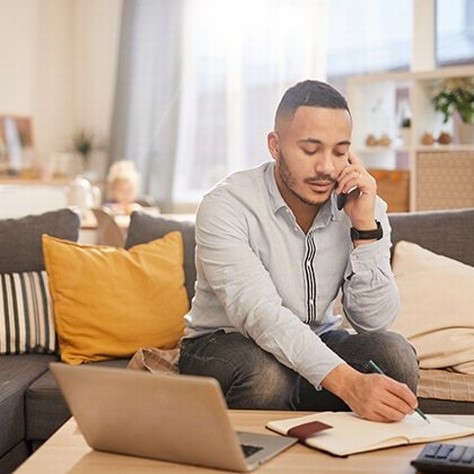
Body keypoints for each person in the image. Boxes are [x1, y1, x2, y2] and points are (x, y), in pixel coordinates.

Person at [178, 80, 419, 422]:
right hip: (225, 345)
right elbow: (260, 315)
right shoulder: (226, 205)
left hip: (315, 338)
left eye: (339, 152)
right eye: (310, 150)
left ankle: (331, 445)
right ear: (275, 145)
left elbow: (374, 321)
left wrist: (365, 229)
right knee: (266, 377)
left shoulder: (364, 206)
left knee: (395, 356)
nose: (327, 168)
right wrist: (350, 385)